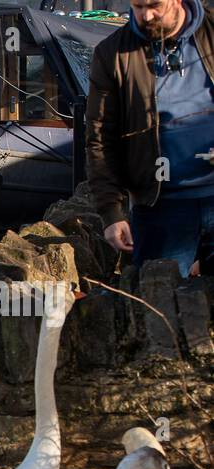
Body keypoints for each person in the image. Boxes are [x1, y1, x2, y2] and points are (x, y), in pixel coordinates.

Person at [87, 0, 214, 274]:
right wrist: (111, 211)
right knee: (158, 303)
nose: (146, 15)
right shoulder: (112, 53)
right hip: (161, 206)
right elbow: (100, 137)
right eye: (137, 6)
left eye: (154, 5)